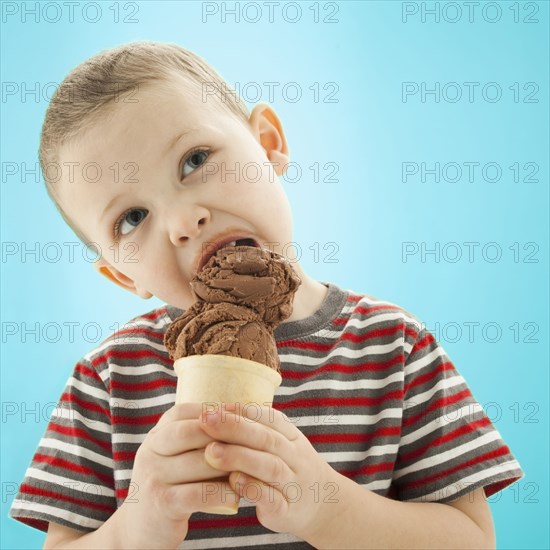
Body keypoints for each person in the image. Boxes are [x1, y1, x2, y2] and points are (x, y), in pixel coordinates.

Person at [10, 41, 523, 549]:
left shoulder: (396, 348)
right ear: (123, 276)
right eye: (133, 218)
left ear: (268, 142)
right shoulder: (108, 379)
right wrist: (136, 528)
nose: (185, 221)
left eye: (195, 160)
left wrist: (331, 509)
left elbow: (472, 539)